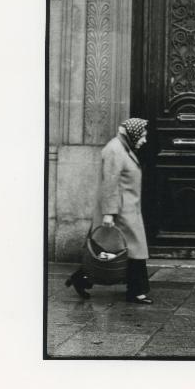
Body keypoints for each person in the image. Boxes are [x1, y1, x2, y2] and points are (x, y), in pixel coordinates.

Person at [65, 118, 153, 304]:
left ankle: (82, 278)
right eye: (143, 136)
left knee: (123, 251)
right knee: (129, 252)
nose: (144, 140)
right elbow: (110, 183)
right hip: (121, 212)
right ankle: (136, 291)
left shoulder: (123, 148)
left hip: (127, 210)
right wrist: (109, 213)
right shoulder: (115, 150)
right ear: (133, 133)